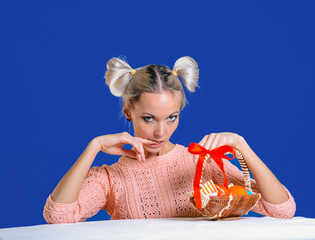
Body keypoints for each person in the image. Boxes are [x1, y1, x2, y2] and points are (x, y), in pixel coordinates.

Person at [43, 56, 296, 223]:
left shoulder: (201, 163)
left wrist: (241, 145)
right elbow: (58, 215)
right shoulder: (112, 179)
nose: (161, 132)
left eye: (172, 117)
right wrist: (93, 147)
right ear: (128, 112)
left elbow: (282, 209)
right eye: (149, 118)